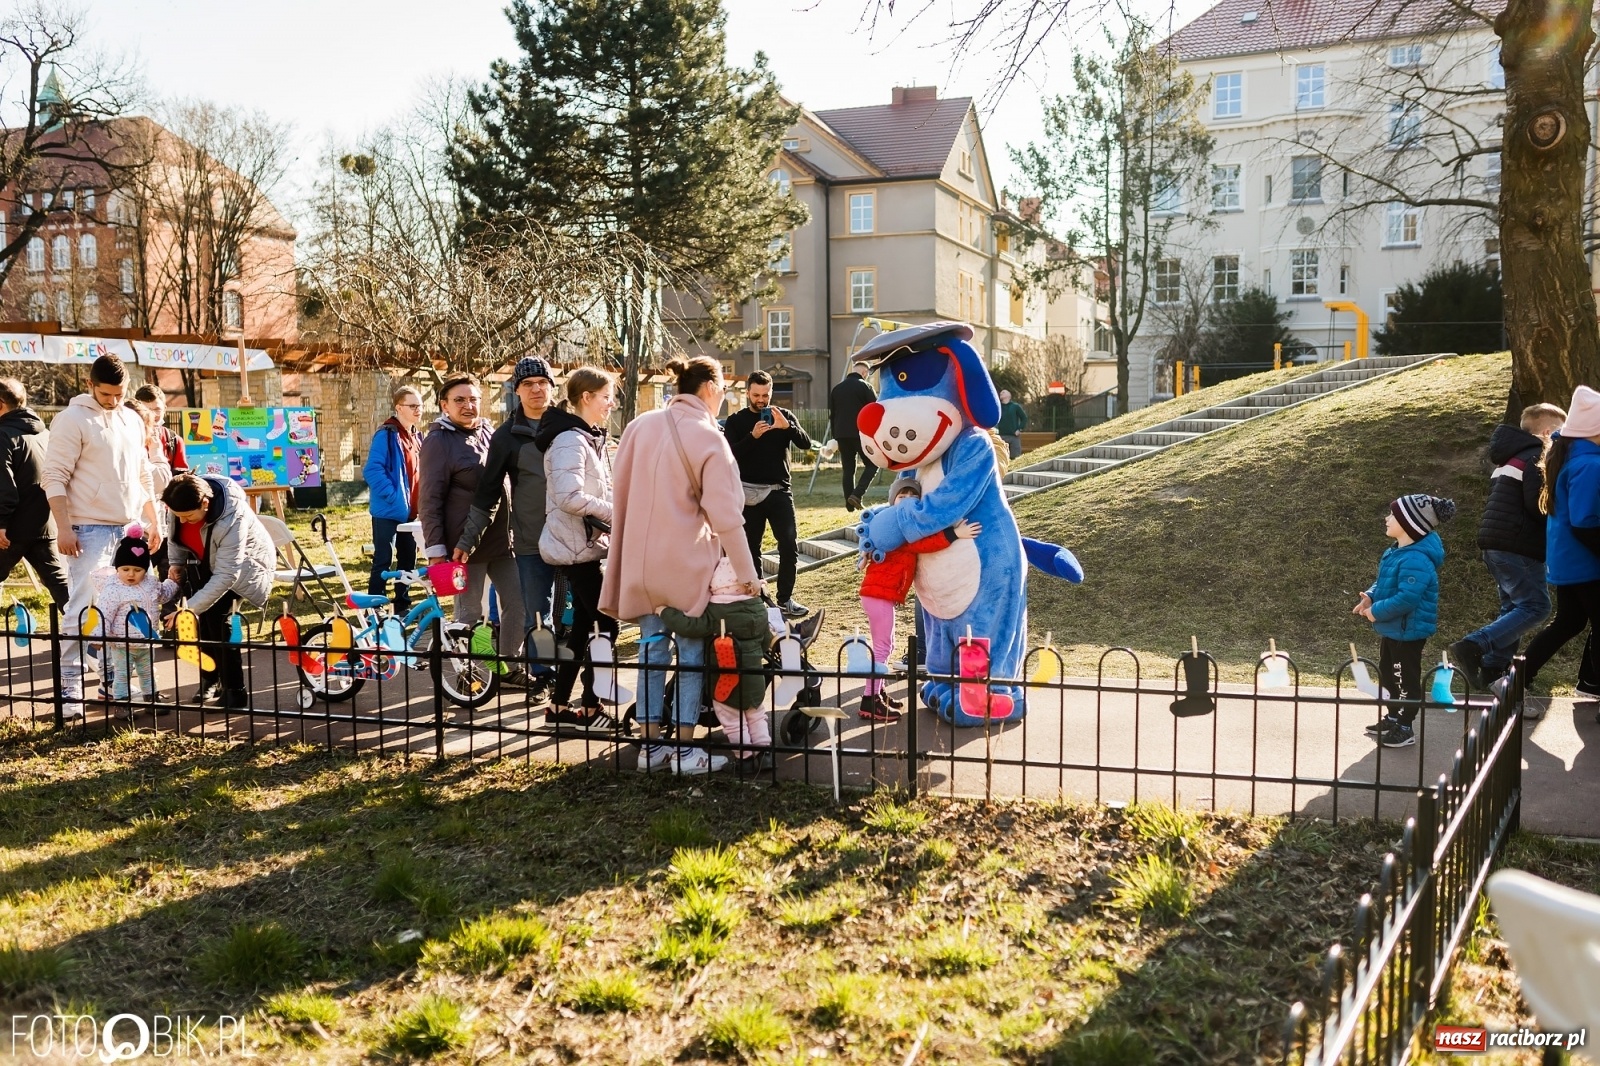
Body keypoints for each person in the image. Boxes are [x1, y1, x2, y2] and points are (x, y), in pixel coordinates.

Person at [601, 355, 754, 776]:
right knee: (688, 655)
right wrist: (747, 575)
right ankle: (686, 752)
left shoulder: (638, 427)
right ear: (709, 388)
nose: (724, 397)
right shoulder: (709, 436)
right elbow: (726, 518)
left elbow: (621, 492)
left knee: (651, 651)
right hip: (686, 566)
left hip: (639, 563)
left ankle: (650, 747)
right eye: (723, 388)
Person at [42, 354, 160, 719]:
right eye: (106, 394)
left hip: (128, 527)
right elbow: (54, 477)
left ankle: (113, 682)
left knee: (122, 608)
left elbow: (142, 473)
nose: (113, 400)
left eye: (120, 394)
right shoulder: (71, 420)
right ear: (90, 385)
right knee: (82, 608)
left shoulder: (129, 418)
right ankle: (70, 688)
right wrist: (63, 527)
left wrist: (154, 520)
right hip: (87, 528)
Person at [418, 374, 530, 688]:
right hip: (462, 546)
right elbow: (429, 499)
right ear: (444, 405)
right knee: (468, 613)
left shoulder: (488, 432)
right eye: (460, 400)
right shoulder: (438, 441)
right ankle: (466, 674)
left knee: (518, 602)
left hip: (502, 540)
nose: (469, 406)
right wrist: (436, 549)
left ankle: (507, 667)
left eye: (474, 399)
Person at [1447, 402, 1566, 689]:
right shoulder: (1539, 455)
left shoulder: (1510, 458)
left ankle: (1492, 669)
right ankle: (1473, 645)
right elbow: (1536, 504)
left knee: (1513, 607)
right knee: (1537, 606)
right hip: (1518, 543)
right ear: (1548, 432)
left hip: (1497, 542)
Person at [534, 366, 619, 728]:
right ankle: (590, 706)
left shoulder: (587, 437)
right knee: (607, 626)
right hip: (574, 548)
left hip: (585, 545)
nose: (611, 404)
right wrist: (617, 514)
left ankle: (558, 707)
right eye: (605, 397)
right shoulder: (570, 440)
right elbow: (570, 497)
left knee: (584, 628)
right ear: (586, 398)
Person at [856, 478, 980, 722]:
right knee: (882, 647)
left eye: (913, 497)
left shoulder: (898, 529)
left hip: (878, 595)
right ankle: (869, 701)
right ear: (893, 501)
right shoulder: (899, 532)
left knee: (887, 645)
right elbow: (926, 544)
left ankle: (877, 693)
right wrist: (955, 533)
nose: (907, 501)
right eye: (902, 496)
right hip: (877, 594)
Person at [1505, 385, 1600, 700]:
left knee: (1569, 622)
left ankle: (1518, 680)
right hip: (1585, 561)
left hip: (1569, 560)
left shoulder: (1573, 457)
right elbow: (1586, 522)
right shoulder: (1590, 464)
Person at [456, 357, 557, 644]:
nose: (536, 389)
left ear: (552, 387)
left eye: (542, 382)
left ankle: (584, 682)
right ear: (517, 390)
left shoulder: (569, 428)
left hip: (576, 536)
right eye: (528, 384)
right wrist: (467, 540)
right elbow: (488, 491)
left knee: (582, 615)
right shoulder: (504, 437)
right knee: (537, 614)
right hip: (531, 540)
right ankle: (540, 675)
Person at [161, 473, 275, 711]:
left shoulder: (233, 517)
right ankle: (211, 677)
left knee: (218, 619)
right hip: (202, 563)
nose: (182, 521)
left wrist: (187, 608)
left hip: (242, 568)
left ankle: (235, 690)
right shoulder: (179, 500)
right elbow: (174, 536)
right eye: (177, 516)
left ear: (205, 503)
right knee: (201, 625)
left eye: (188, 516)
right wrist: (175, 563)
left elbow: (227, 574)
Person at [1355, 493, 1456, 748]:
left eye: (1393, 515)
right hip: (1394, 630)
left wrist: (1375, 611)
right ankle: (1392, 716)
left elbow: (1407, 598)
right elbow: (1386, 583)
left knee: (1403, 679)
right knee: (1388, 674)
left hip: (1407, 632)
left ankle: (1405, 726)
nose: (1387, 518)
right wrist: (1369, 596)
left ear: (1410, 524)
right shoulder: (1397, 552)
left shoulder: (1416, 559)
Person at [660, 557, 775, 771]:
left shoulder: (715, 612)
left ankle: (746, 758)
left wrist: (665, 612)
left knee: (732, 719)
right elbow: (766, 641)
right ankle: (765, 753)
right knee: (756, 713)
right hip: (752, 675)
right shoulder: (758, 609)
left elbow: (690, 626)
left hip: (725, 677)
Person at [724, 370, 811, 618]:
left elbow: (806, 443)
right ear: (747, 393)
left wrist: (788, 427)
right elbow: (730, 456)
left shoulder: (782, 417)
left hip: (780, 491)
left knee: (788, 546)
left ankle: (785, 599)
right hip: (748, 492)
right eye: (756, 395)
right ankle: (760, 600)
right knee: (752, 548)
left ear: (771, 392)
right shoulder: (736, 421)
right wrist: (753, 436)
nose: (761, 400)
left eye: (765, 394)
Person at [0, 378, 68, 609]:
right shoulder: (44, 433)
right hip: (44, 524)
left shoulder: (3, 436)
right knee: (62, 587)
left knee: (60, 585)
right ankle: (87, 636)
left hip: (11, 529)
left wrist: (1, 522)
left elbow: (4, 485)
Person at [92, 531, 177, 711]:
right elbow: (104, 613)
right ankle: (122, 704)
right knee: (122, 675)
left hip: (146, 641)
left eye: (137, 570)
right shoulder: (113, 588)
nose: (131, 574)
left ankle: (151, 699)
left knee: (147, 672)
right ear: (117, 568)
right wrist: (99, 636)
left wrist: (173, 582)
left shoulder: (151, 583)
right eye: (125, 569)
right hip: (123, 643)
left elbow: (163, 594)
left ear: (145, 570)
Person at [364, 385, 423, 611]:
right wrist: (392, 495)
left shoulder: (417, 436)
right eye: (413, 406)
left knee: (408, 560)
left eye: (420, 405)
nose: (418, 410)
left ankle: (402, 605)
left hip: (412, 512)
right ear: (399, 407)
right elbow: (372, 470)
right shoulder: (387, 434)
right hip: (388, 511)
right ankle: (375, 607)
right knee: (383, 559)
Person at [830, 361, 878, 511]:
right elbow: (875, 409)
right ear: (864, 372)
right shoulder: (865, 386)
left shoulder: (837, 389)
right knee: (872, 465)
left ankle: (849, 504)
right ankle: (857, 494)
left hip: (841, 434)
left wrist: (835, 436)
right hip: (860, 433)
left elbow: (833, 415)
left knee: (848, 469)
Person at [132, 384, 186, 476]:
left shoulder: (174, 440)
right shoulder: (127, 437)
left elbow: (181, 476)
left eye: (157, 409)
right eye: (146, 410)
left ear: (165, 409)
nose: (152, 415)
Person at [996, 389, 1028, 459]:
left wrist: (1019, 429)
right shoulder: (998, 406)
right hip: (1001, 436)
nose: (1001, 393)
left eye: (1003, 392)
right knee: (1001, 457)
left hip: (1013, 436)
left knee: (1015, 457)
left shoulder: (1015, 406)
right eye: (1000, 392)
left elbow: (1024, 418)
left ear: (1009, 395)